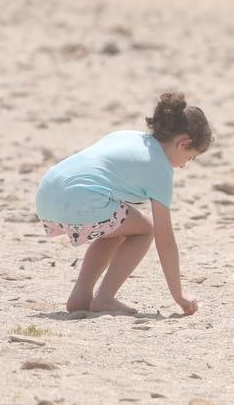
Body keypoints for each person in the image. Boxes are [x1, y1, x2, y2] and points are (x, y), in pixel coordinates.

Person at [35, 91, 211, 315]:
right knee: (145, 230)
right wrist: (178, 295)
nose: (185, 164)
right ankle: (105, 298)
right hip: (79, 200)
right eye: (191, 156)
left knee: (115, 228)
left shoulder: (127, 136)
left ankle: (81, 296)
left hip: (47, 195)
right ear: (183, 143)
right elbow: (165, 239)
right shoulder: (159, 169)